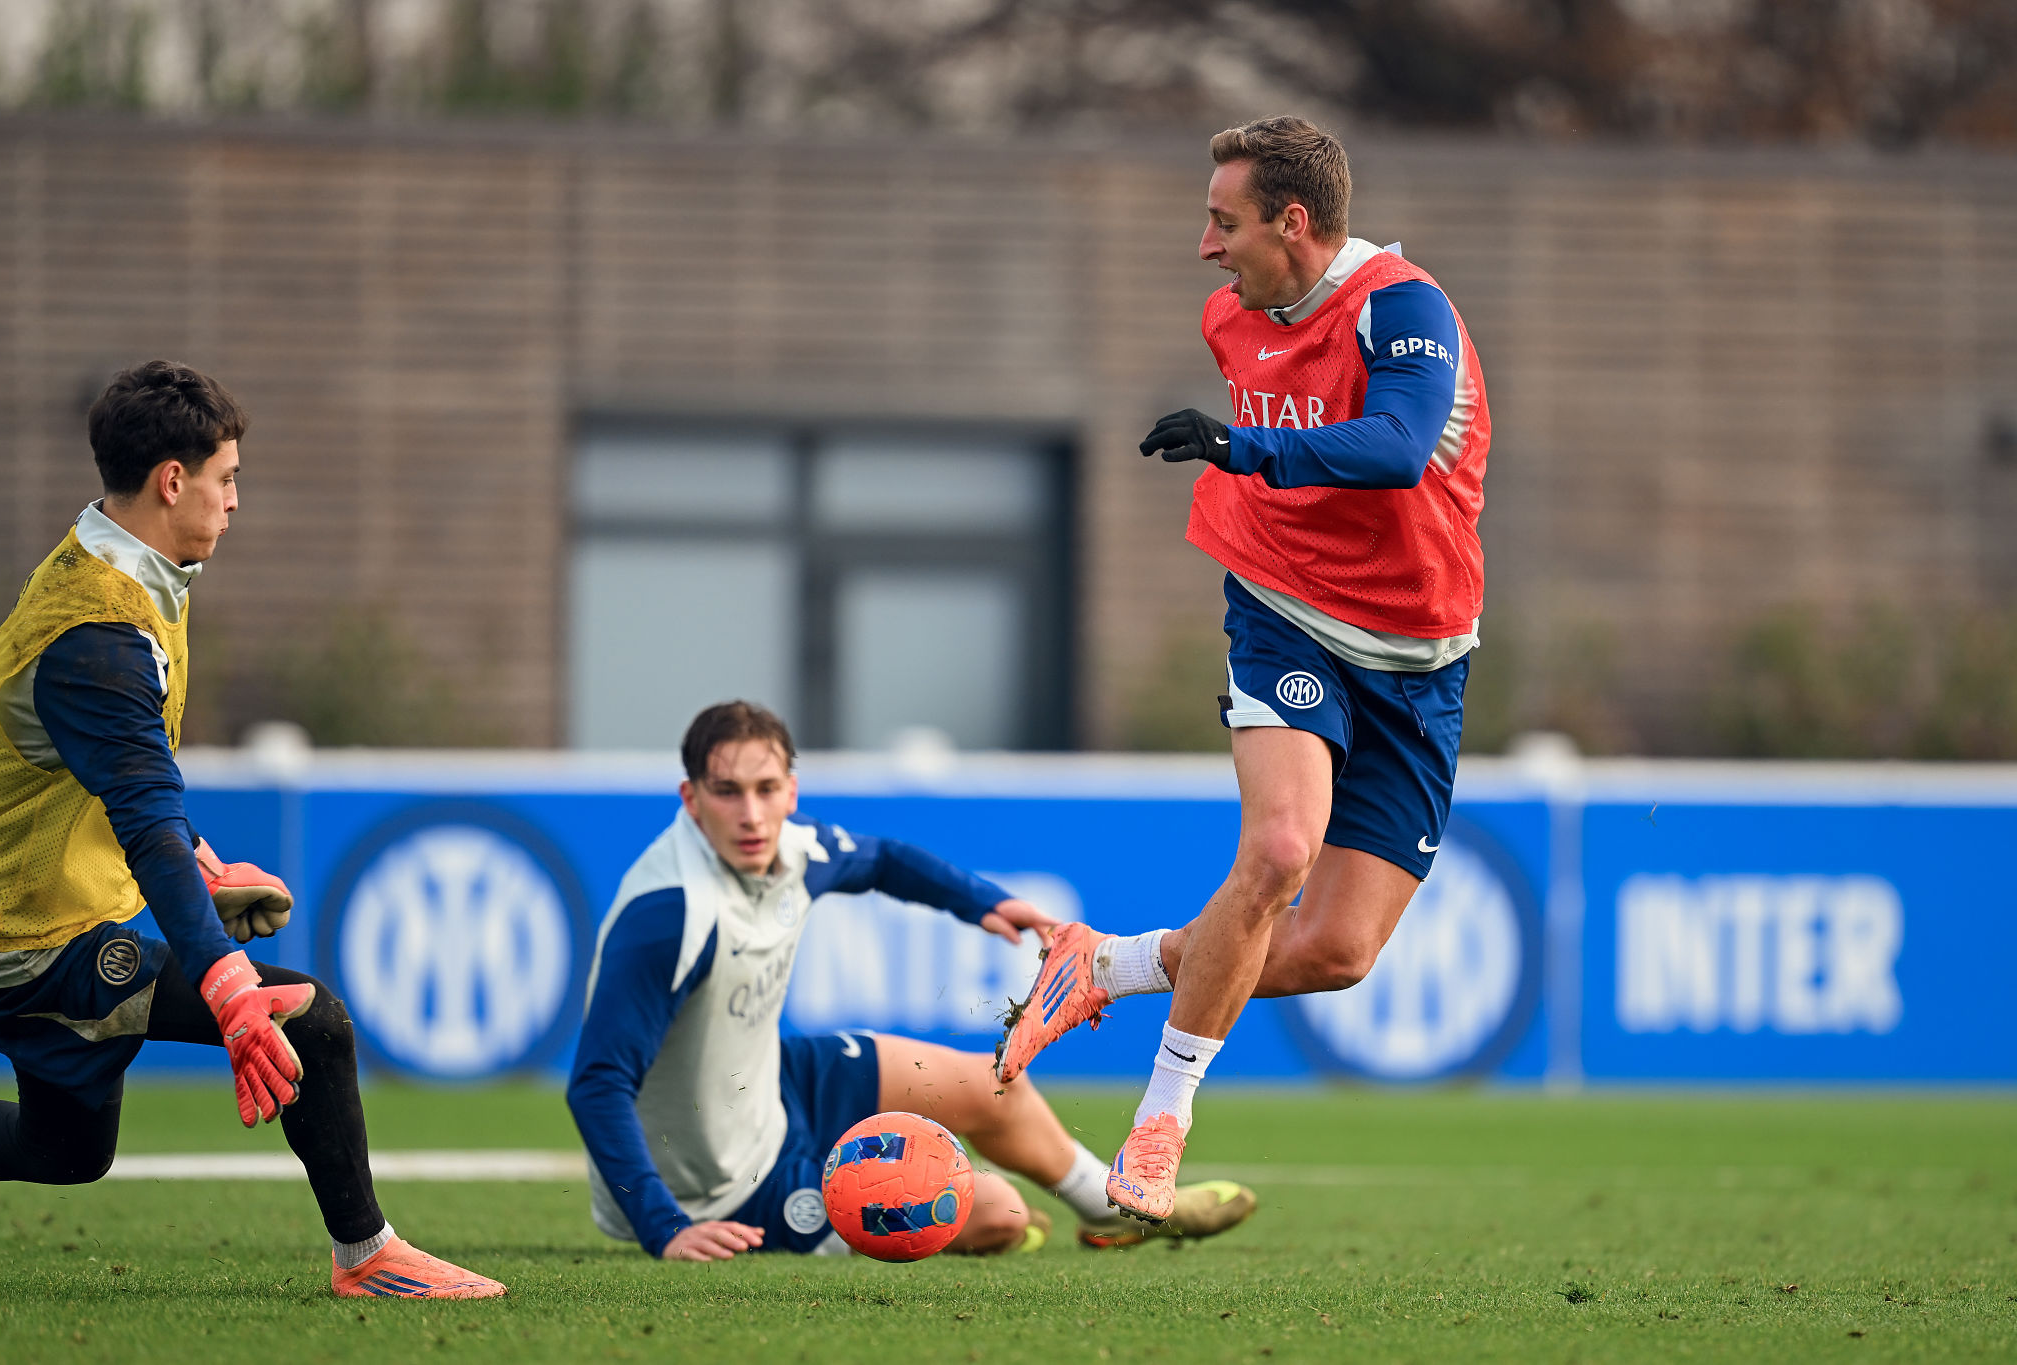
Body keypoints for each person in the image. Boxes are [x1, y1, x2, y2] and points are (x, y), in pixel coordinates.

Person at [996, 116, 1492, 1222]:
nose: (1206, 247)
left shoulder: (1402, 309)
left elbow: (1401, 447)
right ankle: (1158, 1126)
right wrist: (1244, 461)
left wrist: (1244, 444)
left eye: (1223, 222)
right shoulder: (1232, 318)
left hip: (1419, 654)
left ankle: (1110, 967)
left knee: (1334, 952)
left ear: (1293, 222)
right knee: (1275, 853)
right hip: (1282, 608)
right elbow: (1276, 461)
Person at [0, 361, 503, 1299]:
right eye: (229, 476)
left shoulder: (116, 568)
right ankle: (368, 1255)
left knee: (63, 1153)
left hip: (33, 910)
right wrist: (225, 981)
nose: (236, 500)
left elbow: (114, 775)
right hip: (17, 942)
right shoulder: (98, 630)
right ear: (173, 480)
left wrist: (204, 862)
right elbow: (141, 815)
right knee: (316, 1016)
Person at [566, 700, 1256, 1259]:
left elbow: (885, 860)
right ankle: (997, 1230)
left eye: (766, 788)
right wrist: (665, 1227)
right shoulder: (671, 914)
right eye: (727, 792)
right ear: (691, 798)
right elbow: (596, 1082)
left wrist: (984, 900)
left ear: (791, 790)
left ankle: (1115, 1212)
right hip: (716, 1186)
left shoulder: (794, 846)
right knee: (998, 1214)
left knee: (995, 1086)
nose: (751, 813)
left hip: (770, 1082)